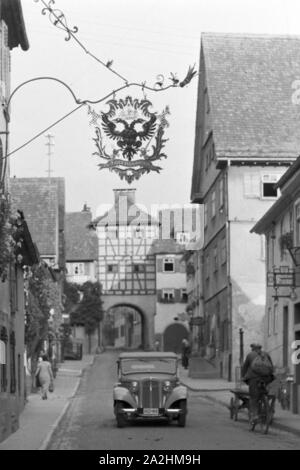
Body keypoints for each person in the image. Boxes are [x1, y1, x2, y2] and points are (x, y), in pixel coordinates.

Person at [241, 343, 274, 423]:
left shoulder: (250, 355)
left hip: (254, 379)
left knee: (253, 397)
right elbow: (271, 366)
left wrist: (243, 376)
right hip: (266, 378)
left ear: (253, 349)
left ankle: (255, 415)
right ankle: (268, 407)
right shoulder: (266, 354)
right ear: (260, 348)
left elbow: (245, 367)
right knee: (265, 392)